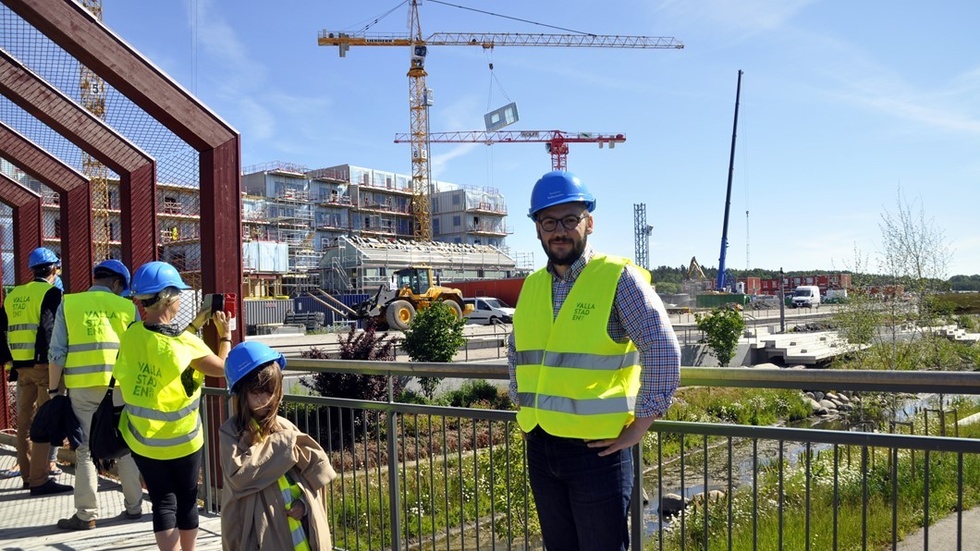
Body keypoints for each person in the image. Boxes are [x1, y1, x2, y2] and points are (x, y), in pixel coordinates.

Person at [508, 170, 681, 551]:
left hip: (597, 450)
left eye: (570, 219)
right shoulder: (533, 285)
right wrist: (521, 403)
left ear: (589, 222)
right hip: (541, 443)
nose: (559, 230)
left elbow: (663, 349)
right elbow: (516, 350)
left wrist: (640, 425)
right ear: (537, 228)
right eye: (548, 221)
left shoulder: (617, 277)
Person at [113, 261, 231, 551]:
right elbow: (223, 368)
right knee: (187, 500)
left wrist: (196, 324)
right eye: (178, 294)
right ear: (167, 297)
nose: (180, 299)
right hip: (184, 441)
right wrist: (225, 334)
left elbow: (162, 342)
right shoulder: (186, 345)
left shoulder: (131, 335)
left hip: (143, 439)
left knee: (163, 502)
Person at [48, 259, 145, 530]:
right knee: (125, 446)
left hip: (82, 388)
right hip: (120, 389)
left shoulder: (70, 304)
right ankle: (134, 507)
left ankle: (86, 513)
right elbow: (137, 348)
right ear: (116, 283)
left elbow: (57, 353)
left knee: (85, 449)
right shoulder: (128, 308)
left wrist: (55, 390)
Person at [219, 341, 337, 550]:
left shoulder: (284, 426)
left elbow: (314, 477)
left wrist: (305, 505)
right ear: (241, 393)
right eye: (256, 392)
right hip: (259, 532)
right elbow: (239, 476)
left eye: (270, 391)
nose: (265, 399)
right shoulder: (231, 432)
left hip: (296, 531)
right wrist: (285, 444)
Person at [0, 247, 73, 496]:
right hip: (43, 366)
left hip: (21, 368)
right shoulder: (51, 292)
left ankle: (28, 475)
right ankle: (40, 478)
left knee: (25, 422)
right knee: (44, 420)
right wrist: (53, 364)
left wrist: (8, 358)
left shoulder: (14, 295)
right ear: (53, 268)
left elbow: (2, 328)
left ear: (32, 270)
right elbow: (50, 330)